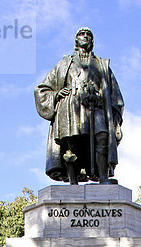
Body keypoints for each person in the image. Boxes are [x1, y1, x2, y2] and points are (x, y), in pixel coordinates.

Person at [34, 27, 124, 184]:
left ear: (92, 41)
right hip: (70, 106)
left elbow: (115, 95)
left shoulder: (102, 64)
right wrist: (56, 95)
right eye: (82, 34)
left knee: (102, 137)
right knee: (71, 143)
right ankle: (73, 182)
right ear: (76, 40)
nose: (85, 37)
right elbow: (42, 88)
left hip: (96, 106)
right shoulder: (64, 64)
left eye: (88, 35)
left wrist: (115, 119)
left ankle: (103, 178)